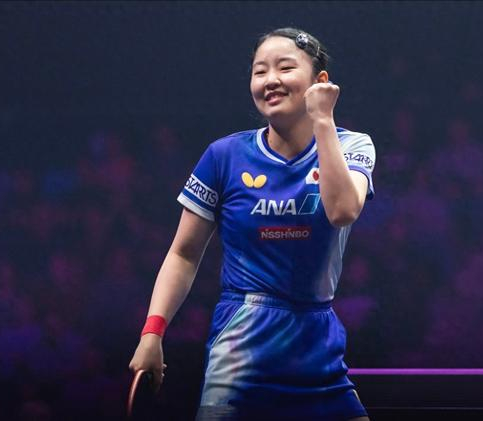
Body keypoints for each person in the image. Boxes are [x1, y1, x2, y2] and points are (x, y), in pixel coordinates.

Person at [129, 27, 375, 421]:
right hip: (244, 340)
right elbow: (184, 254)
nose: (270, 79)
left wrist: (323, 121)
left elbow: (342, 210)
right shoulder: (224, 155)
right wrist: (152, 333)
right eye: (260, 71)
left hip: (317, 341)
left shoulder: (352, 145)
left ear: (320, 81)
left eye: (285, 68)